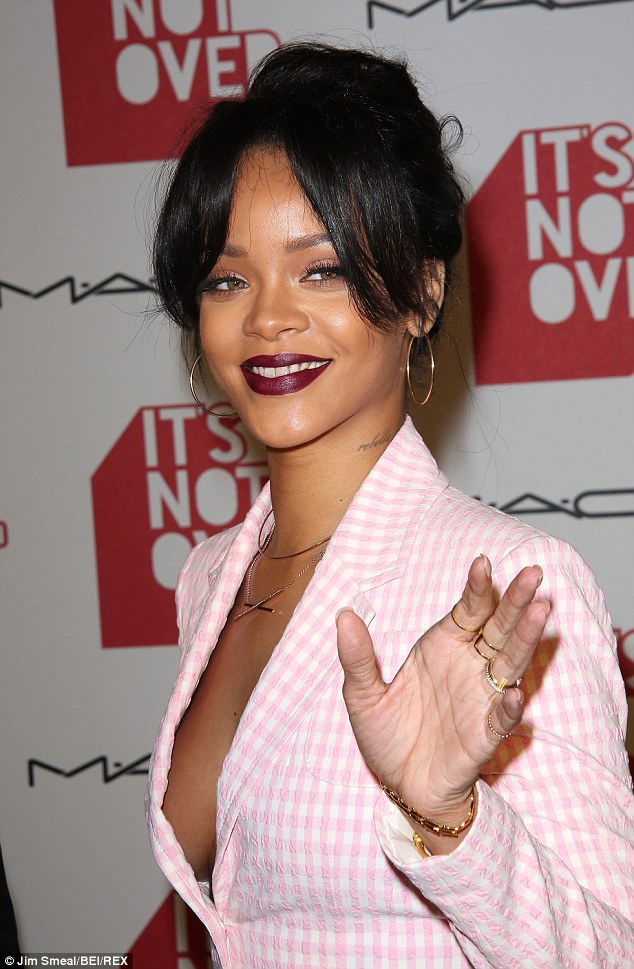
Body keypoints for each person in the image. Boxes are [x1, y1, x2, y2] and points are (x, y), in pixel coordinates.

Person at [146, 42, 633, 968]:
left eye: (321, 269)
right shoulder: (210, 577)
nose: (267, 318)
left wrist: (450, 818)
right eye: (227, 278)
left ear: (421, 293)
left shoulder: (514, 589)